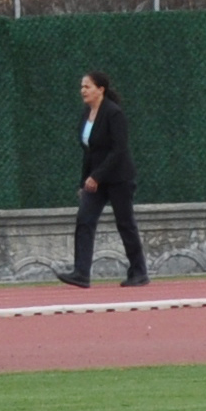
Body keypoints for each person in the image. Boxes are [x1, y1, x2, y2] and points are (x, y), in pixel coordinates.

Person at [57, 70, 149, 289]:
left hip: (119, 179)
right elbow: (88, 152)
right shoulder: (86, 114)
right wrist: (84, 182)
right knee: (84, 220)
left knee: (125, 224)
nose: (83, 91)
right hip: (94, 182)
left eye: (87, 86)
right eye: (82, 87)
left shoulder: (113, 113)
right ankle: (81, 273)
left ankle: (139, 272)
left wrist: (97, 176)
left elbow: (119, 151)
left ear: (101, 89)